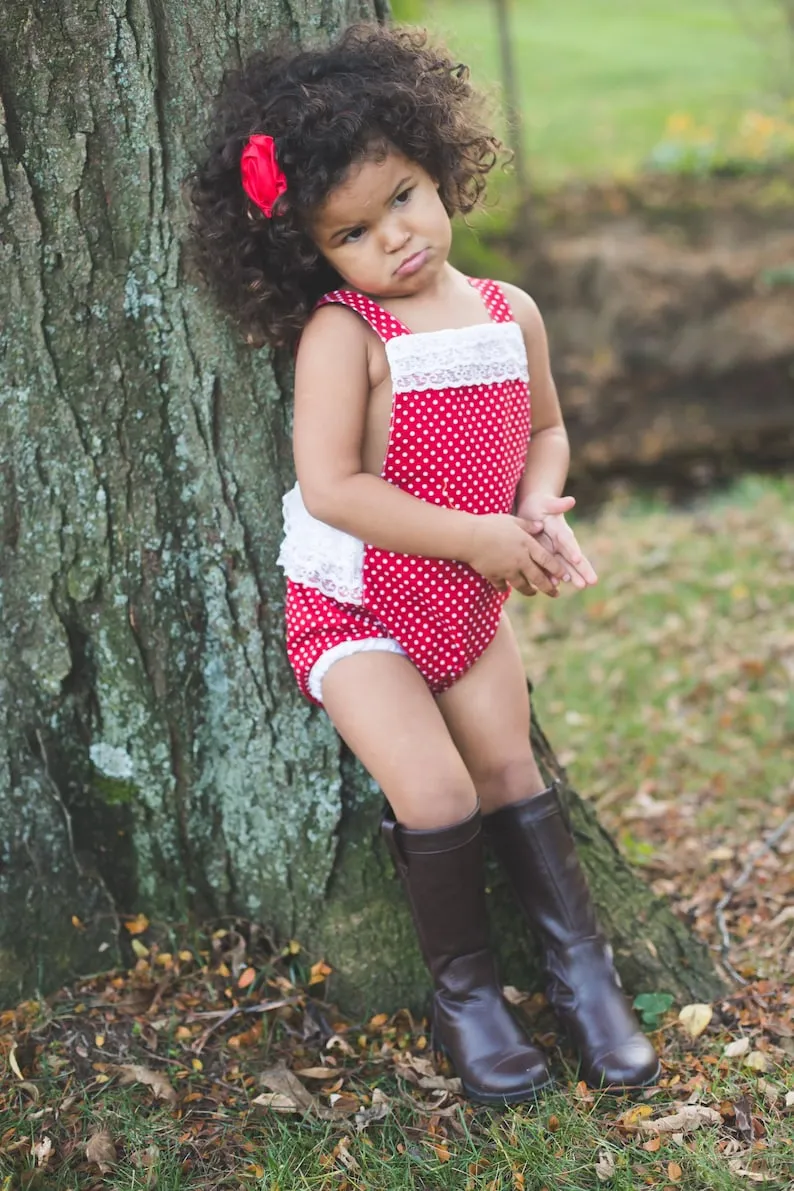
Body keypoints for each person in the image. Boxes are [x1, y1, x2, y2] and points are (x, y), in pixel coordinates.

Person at [189, 22, 660, 1104]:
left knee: (512, 773)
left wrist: (534, 508)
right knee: (440, 790)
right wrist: (480, 536)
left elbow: (542, 432)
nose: (391, 238)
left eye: (401, 196)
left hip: (465, 596)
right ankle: (466, 1000)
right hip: (356, 607)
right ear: (315, 255)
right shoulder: (344, 336)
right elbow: (333, 490)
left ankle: (582, 972)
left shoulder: (509, 312)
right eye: (351, 232)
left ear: (439, 168)